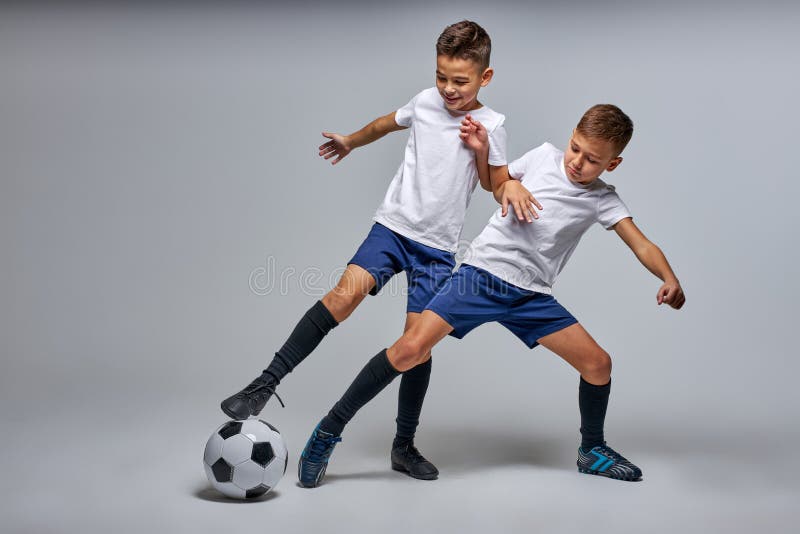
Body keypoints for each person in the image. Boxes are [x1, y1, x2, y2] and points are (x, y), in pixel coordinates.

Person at [297, 104, 686, 487]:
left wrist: (668, 277)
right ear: (570, 139)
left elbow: (642, 244)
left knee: (599, 364)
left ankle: (592, 451)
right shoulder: (543, 157)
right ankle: (328, 431)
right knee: (409, 350)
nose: (577, 162)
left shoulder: (603, 198)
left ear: (611, 164)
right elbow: (493, 184)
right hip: (481, 276)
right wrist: (498, 169)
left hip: (531, 295)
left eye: (592, 160)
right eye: (575, 148)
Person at [220, 21, 528, 481]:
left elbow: (493, 185)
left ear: (485, 77)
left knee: (416, 347)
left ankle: (403, 447)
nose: (447, 88)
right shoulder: (425, 102)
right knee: (341, 298)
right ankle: (265, 383)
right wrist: (350, 140)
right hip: (393, 227)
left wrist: (485, 155)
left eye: (459, 81)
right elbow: (385, 125)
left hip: (438, 249)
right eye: (441, 75)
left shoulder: (491, 125)